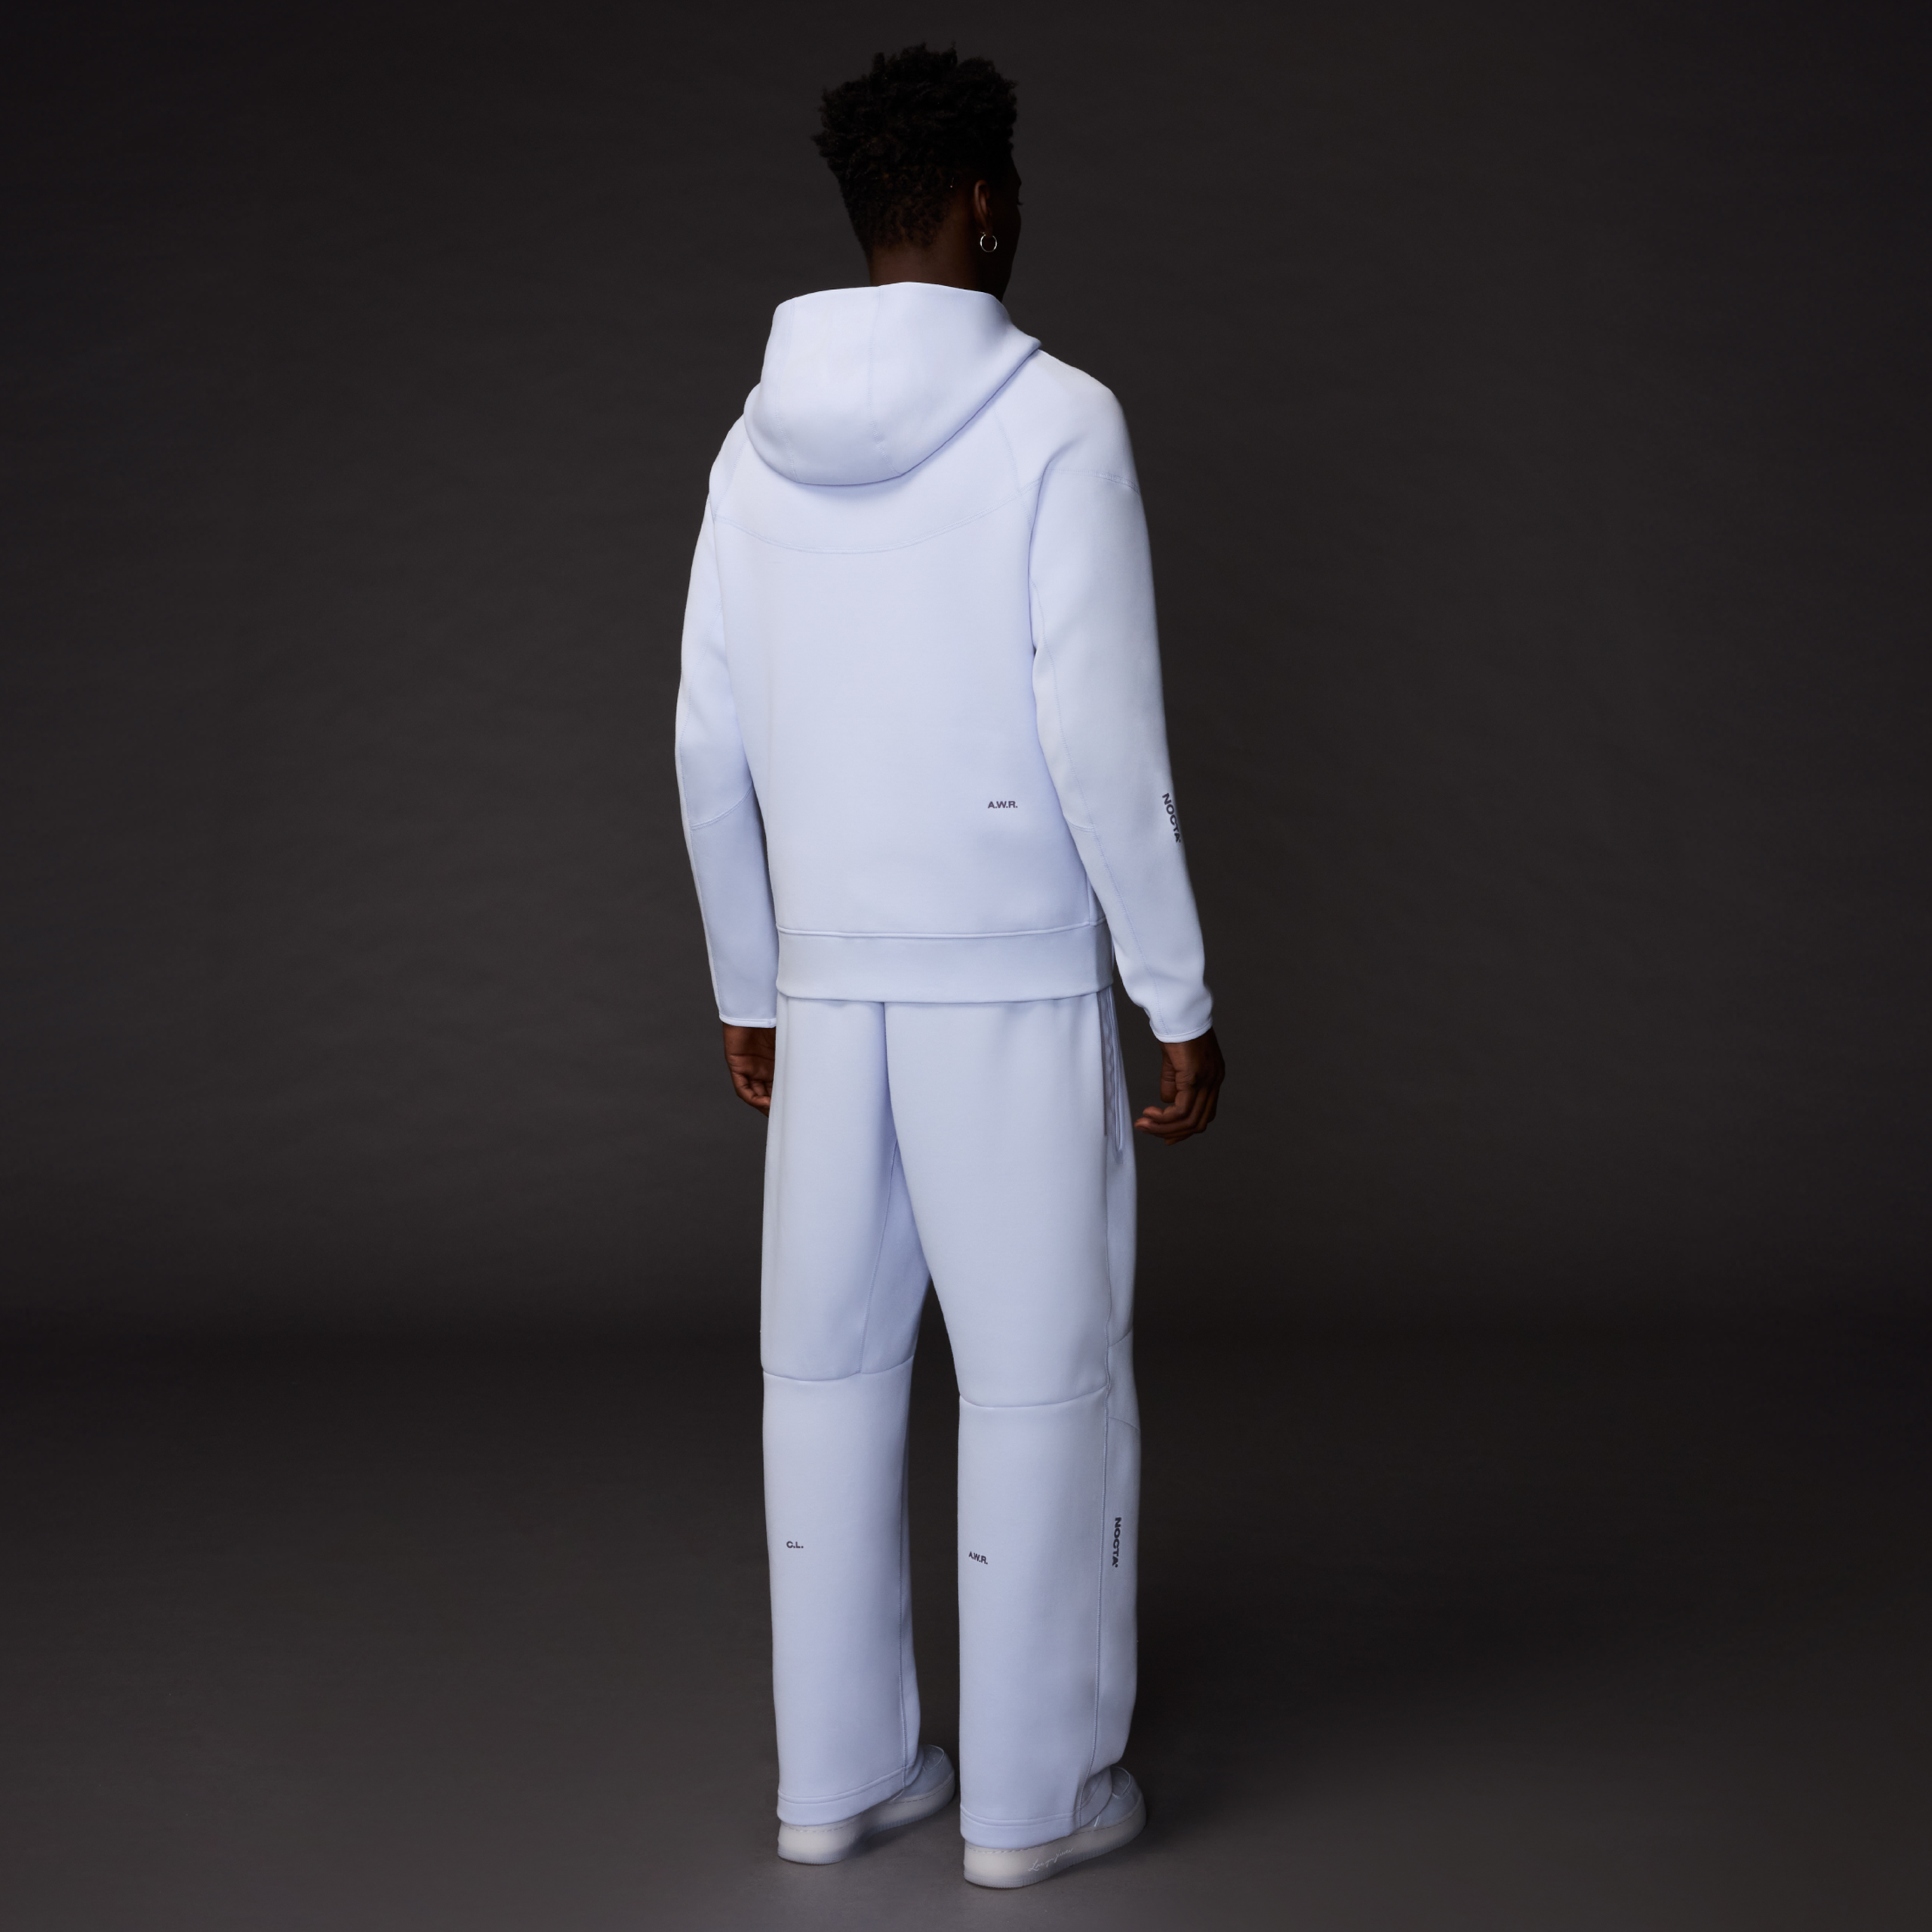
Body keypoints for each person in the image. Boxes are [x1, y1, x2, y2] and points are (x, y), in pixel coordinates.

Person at [674, 43, 1223, 1890]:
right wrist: (1174, 994)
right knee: (1040, 1382)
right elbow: (1102, 745)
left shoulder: (748, 443)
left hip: (829, 992)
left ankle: (833, 1781)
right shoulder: (1059, 421)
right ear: (985, 203)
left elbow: (705, 741)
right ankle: (1029, 1800)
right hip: (1009, 981)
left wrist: (749, 982)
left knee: (821, 1377)